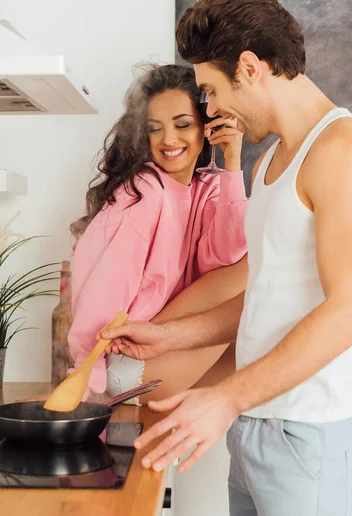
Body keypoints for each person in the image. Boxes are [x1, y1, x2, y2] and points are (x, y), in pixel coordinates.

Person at [99, 2, 352, 516]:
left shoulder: (346, 145)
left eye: (211, 90)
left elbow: (347, 313)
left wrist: (226, 399)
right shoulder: (273, 162)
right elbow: (267, 299)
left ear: (251, 68)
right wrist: (172, 335)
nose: (210, 110)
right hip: (257, 426)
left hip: (307, 433)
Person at [68, 63, 248, 405]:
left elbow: (227, 256)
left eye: (182, 125)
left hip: (170, 352)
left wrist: (234, 161)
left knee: (267, 288)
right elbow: (105, 289)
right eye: (155, 129)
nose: (168, 140)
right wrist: (87, 376)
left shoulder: (208, 187)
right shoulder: (144, 191)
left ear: (206, 128)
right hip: (128, 362)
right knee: (266, 269)